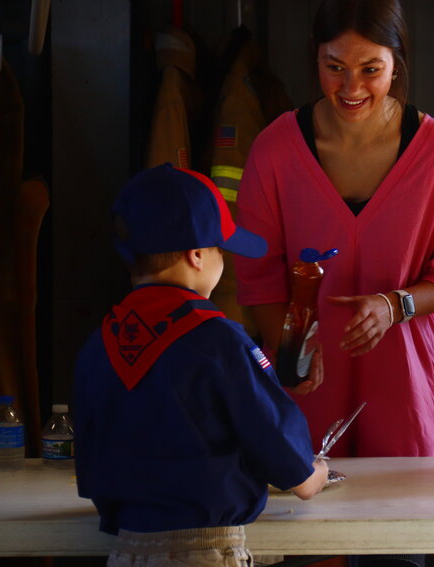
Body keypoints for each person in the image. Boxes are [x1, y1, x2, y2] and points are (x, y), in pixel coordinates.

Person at [234, 0, 434, 564]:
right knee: (307, 546)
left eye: (371, 68)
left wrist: (395, 306)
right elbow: (257, 275)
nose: (351, 86)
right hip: (304, 400)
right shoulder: (273, 149)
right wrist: (292, 349)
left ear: (397, 64)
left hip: (406, 398)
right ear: (314, 60)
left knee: (401, 550)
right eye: (334, 65)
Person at [74, 163, 328, 567]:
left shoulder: (99, 342)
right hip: (207, 550)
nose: (223, 260)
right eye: (221, 249)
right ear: (197, 255)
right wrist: (312, 475)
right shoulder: (220, 339)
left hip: (125, 550)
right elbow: (282, 450)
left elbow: (88, 469)